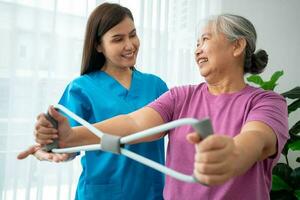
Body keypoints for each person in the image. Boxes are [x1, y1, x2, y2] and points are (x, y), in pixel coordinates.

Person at [32, 14, 289, 199]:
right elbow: (134, 124)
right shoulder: (180, 97)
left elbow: (256, 139)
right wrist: (70, 136)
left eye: (205, 40)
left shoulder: (266, 102)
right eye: (196, 43)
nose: (197, 49)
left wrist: (232, 154)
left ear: (237, 45)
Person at [17, 3, 168, 200]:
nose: (130, 45)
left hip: (150, 193)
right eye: (118, 39)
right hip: (102, 194)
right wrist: (51, 146)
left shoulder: (156, 86)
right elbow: (67, 144)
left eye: (133, 34)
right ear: (98, 45)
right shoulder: (81, 88)